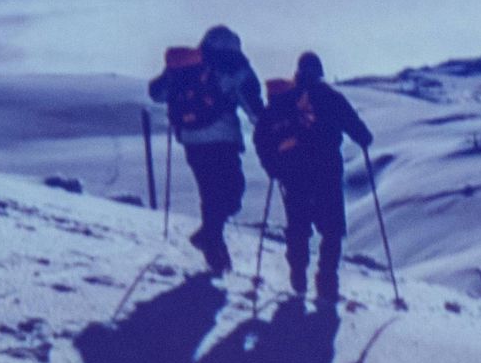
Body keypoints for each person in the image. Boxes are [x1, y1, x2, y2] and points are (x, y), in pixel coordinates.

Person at [255, 51, 372, 301]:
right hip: (327, 172)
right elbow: (356, 127)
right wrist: (364, 138)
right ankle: (327, 279)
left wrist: (273, 166)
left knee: (298, 225)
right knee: (332, 228)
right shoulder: (330, 97)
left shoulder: (284, 100)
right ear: (319, 71)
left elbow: (261, 134)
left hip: (293, 174)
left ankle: (298, 272)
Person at [148, 25, 264, 275]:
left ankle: (213, 245)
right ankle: (211, 238)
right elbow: (252, 105)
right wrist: (266, 127)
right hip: (222, 138)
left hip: (191, 139)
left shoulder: (186, 65)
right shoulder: (235, 66)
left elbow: (157, 94)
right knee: (232, 191)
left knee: (210, 191)